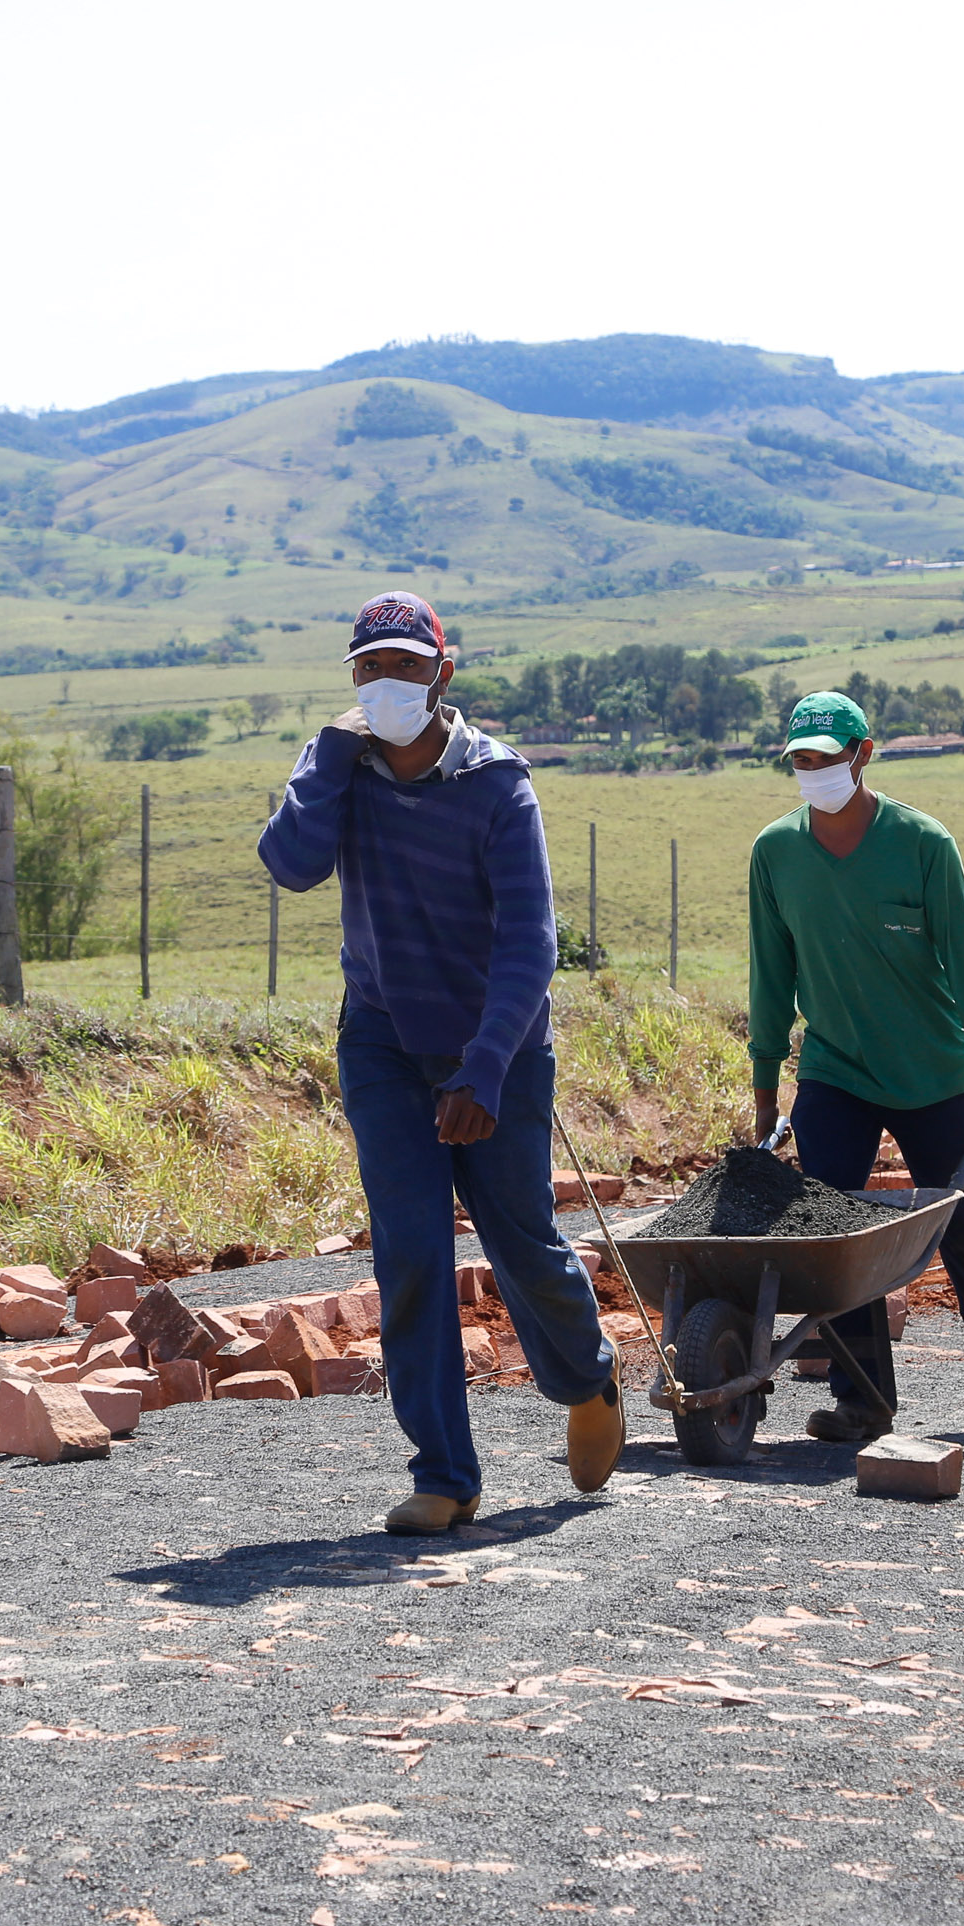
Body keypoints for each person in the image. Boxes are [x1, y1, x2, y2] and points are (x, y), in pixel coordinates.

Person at [259, 590, 624, 1534]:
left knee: (520, 1242)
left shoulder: (498, 784)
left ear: (442, 675)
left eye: (406, 667)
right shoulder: (339, 765)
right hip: (380, 1036)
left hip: (495, 1043)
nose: (387, 684)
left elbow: (530, 946)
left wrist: (487, 1067)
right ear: (352, 678)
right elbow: (291, 866)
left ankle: (588, 1379)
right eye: (369, 668)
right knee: (411, 1252)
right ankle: (445, 1475)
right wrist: (329, 760)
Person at [745, 690, 964, 1439]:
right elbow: (770, 975)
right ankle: (862, 1398)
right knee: (837, 1234)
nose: (812, 772)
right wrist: (764, 1079)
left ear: (864, 754)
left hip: (929, 1071)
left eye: (825, 758)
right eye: (800, 761)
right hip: (834, 1071)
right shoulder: (776, 853)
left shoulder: (922, 844)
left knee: (963, 1222)